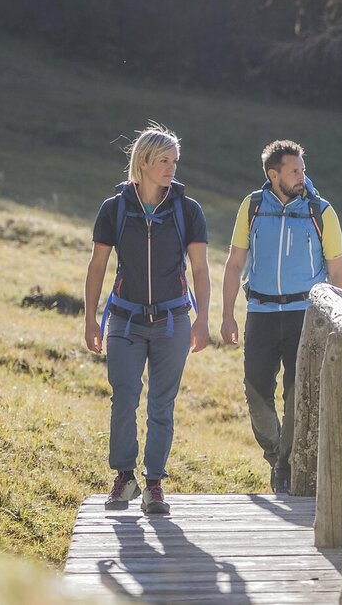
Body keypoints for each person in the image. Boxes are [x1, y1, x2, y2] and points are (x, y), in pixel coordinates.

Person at [83, 123, 211, 515]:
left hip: (173, 320)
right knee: (124, 398)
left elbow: (202, 270)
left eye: (174, 160)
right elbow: (97, 265)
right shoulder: (115, 208)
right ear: (142, 163)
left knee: (162, 404)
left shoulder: (187, 211)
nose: (171, 168)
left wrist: (202, 319)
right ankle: (124, 478)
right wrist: (91, 319)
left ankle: (154, 483)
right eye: (163, 161)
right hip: (124, 319)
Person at [220, 140, 342, 494]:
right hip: (260, 313)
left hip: (306, 316)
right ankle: (276, 453)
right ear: (273, 174)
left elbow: (338, 273)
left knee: (297, 393)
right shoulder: (252, 207)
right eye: (295, 171)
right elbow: (234, 263)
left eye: (303, 169)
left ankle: (287, 467)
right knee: (255, 390)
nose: (302, 177)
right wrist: (227, 314)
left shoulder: (321, 212)